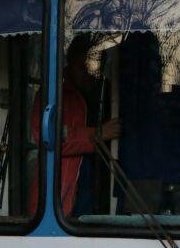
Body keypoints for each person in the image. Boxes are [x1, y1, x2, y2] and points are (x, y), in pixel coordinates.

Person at [29, 35, 121, 217]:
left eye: (93, 68)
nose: (88, 74)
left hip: (103, 184)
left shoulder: (112, 94)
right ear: (70, 63)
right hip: (63, 196)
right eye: (82, 67)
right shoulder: (52, 94)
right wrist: (98, 134)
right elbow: (48, 137)